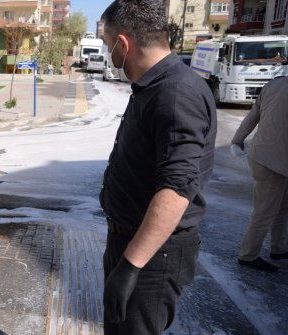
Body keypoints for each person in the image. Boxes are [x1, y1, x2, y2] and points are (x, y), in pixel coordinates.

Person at [98, 1, 217, 334]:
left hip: (152, 256)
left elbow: (177, 188)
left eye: (109, 47)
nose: (110, 56)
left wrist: (130, 267)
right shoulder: (155, 86)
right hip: (132, 245)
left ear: (123, 44)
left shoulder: (176, 93)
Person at [231, 76, 288, 272]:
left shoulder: (275, 84)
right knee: (265, 211)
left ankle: (279, 249)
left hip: (263, 156)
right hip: (274, 161)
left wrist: (237, 139)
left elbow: (252, 116)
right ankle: (248, 255)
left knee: (281, 207)